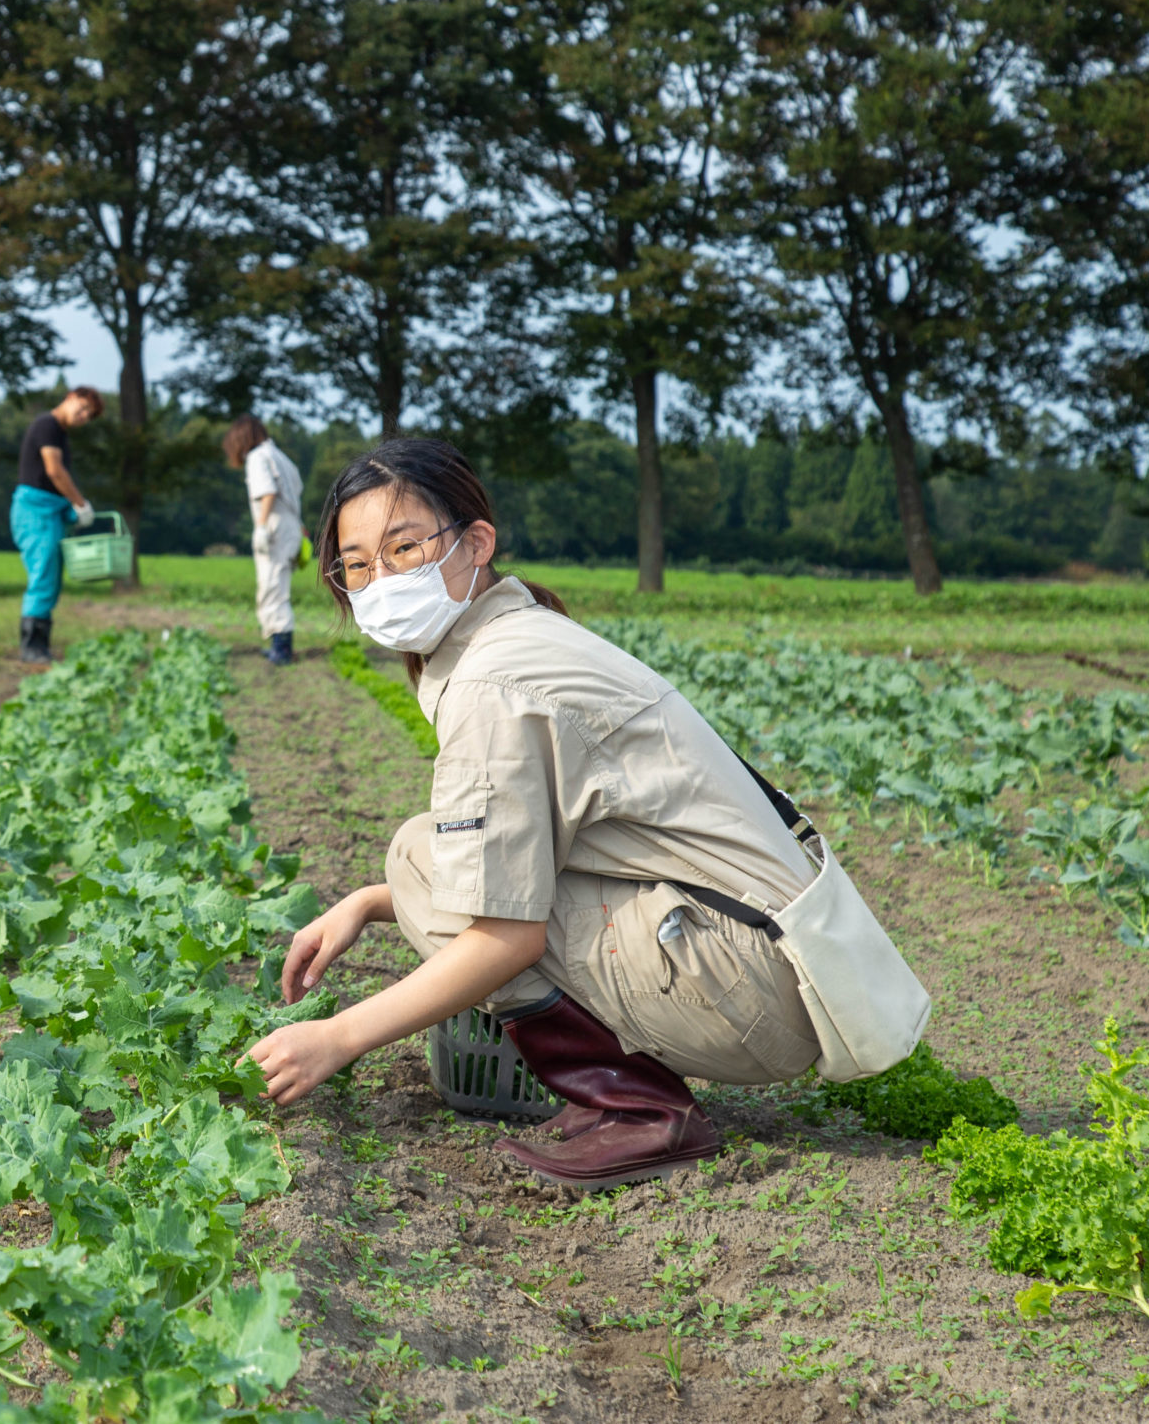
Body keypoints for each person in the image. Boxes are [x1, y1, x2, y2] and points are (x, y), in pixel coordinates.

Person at [244, 437, 923, 1189]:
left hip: (746, 987)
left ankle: (637, 1109)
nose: (380, 582)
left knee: (452, 887)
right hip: (763, 956)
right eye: (359, 565)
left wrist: (336, 1037)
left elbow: (506, 937)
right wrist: (371, 902)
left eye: (405, 549)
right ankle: (625, 1094)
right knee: (417, 854)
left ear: (475, 543)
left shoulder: (494, 683)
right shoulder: (515, 634)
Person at [9, 387, 104, 663]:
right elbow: (54, 471)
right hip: (35, 512)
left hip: (49, 510)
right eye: (83, 408)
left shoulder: (58, 432)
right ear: (71, 397)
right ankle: (32, 647)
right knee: (43, 575)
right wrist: (80, 503)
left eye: (90, 415)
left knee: (49, 578)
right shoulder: (47, 425)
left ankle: (41, 644)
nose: (84, 416)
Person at [223, 415, 303, 665]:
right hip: (290, 527)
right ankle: (280, 645)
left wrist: (260, 527)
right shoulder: (279, 455)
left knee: (271, 587)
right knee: (278, 585)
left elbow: (267, 492)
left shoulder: (258, 457)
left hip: (275, 529)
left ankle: (282, 649)